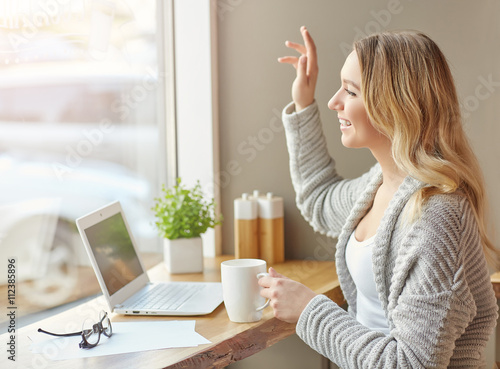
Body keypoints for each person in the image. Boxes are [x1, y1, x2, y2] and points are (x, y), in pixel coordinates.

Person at [258, 26, 499, 368]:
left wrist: (309, 310)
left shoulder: (438, 214)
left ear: (394, 105)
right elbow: (320, 199)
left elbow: (409, 363)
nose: (334, 101)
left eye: (350, 91)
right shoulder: (382, 184)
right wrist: (303, 103)